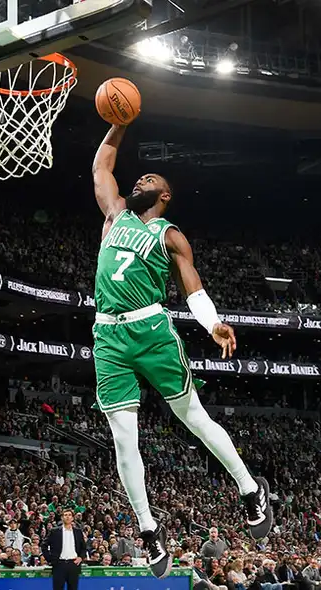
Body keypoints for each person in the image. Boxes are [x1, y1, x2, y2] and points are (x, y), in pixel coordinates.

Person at [90, 124, 272, 578]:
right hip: (107, 336)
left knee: (193, 417)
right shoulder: (114, 213)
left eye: (148, 182)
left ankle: (250, 490)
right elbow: (101, 165)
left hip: (150, 330)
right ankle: (149, 530)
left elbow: (193, 288)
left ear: (165, 196)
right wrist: (120, 123)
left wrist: (213, 324)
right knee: (122, 438)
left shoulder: (171, 236)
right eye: (138, 180)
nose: (138, 183)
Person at [40, 509, 87, 590]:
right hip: (59, 565)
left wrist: (81, 557)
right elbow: (44, 545)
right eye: (65, 515)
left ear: (72, 518)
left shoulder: (78, 532)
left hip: (73, 565)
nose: (67, 517)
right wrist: (50, 559)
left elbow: (83, 548)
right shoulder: (54, 531)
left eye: (69, 515)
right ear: (62, 517)